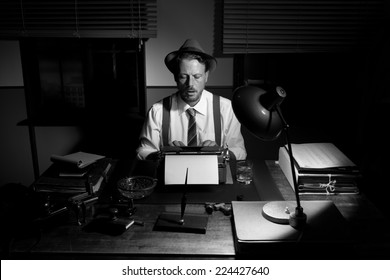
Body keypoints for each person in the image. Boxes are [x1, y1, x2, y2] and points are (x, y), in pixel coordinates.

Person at [136, 39, 247, 160]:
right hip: (172, 177)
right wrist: (165, 154)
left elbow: (240, 151)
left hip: (212, 177)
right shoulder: (157, 111)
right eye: (183, 76)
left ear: (206, 76)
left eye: (197, 76)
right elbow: (143, 152)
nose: (190, 84)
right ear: (175, 77)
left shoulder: (226, 108)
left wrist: (220, 153)